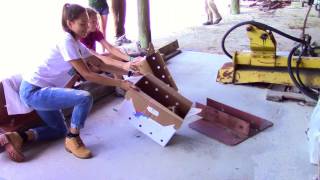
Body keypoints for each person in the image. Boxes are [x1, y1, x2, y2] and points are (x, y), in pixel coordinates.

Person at [0, 3, 139, 162]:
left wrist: (128, 71)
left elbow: (100, 63)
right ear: (69, 23)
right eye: (82, 24)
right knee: (84, 97)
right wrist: (120, 84)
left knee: (59, 130)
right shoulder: (66, 41)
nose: (86, 27)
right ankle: (73, 139)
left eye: (87, 23)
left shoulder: (77, 44)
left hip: (43, 91)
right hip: (34, 92)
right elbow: (87, 74)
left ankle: (18, 137)